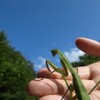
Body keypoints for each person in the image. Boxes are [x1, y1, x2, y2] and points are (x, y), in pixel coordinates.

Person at [27, 37, 100, 100]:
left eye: (54, 52)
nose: (53, 54)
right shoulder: (74, 73)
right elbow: (66, 74)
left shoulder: (73, 73)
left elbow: (64, 74)